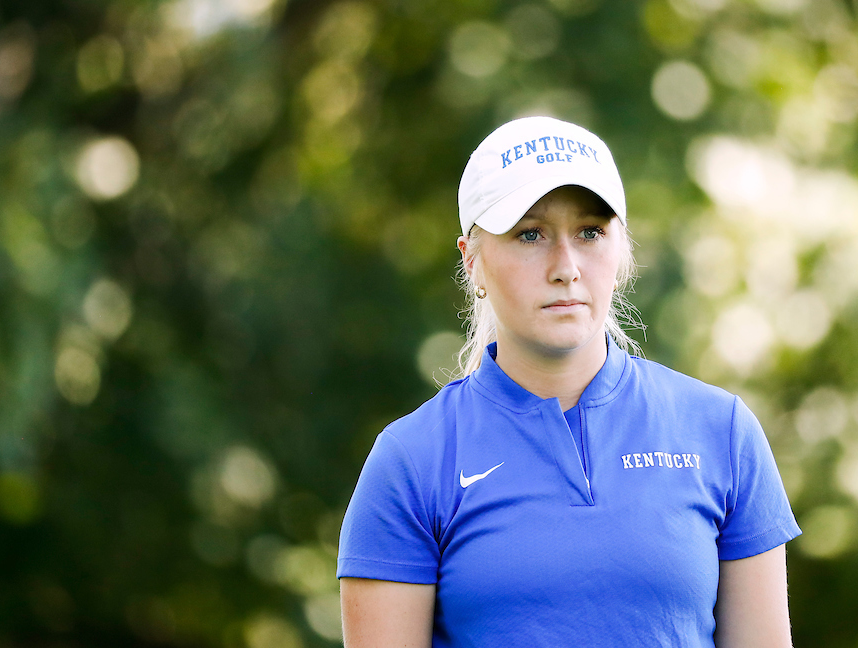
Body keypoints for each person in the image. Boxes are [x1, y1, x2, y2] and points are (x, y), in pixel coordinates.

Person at [338, 115, 801, 648]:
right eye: (530, 234)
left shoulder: (722, 432)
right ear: (473, 263)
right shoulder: (411, 459)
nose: (566, 267)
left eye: (590, 232)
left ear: (622, 250)